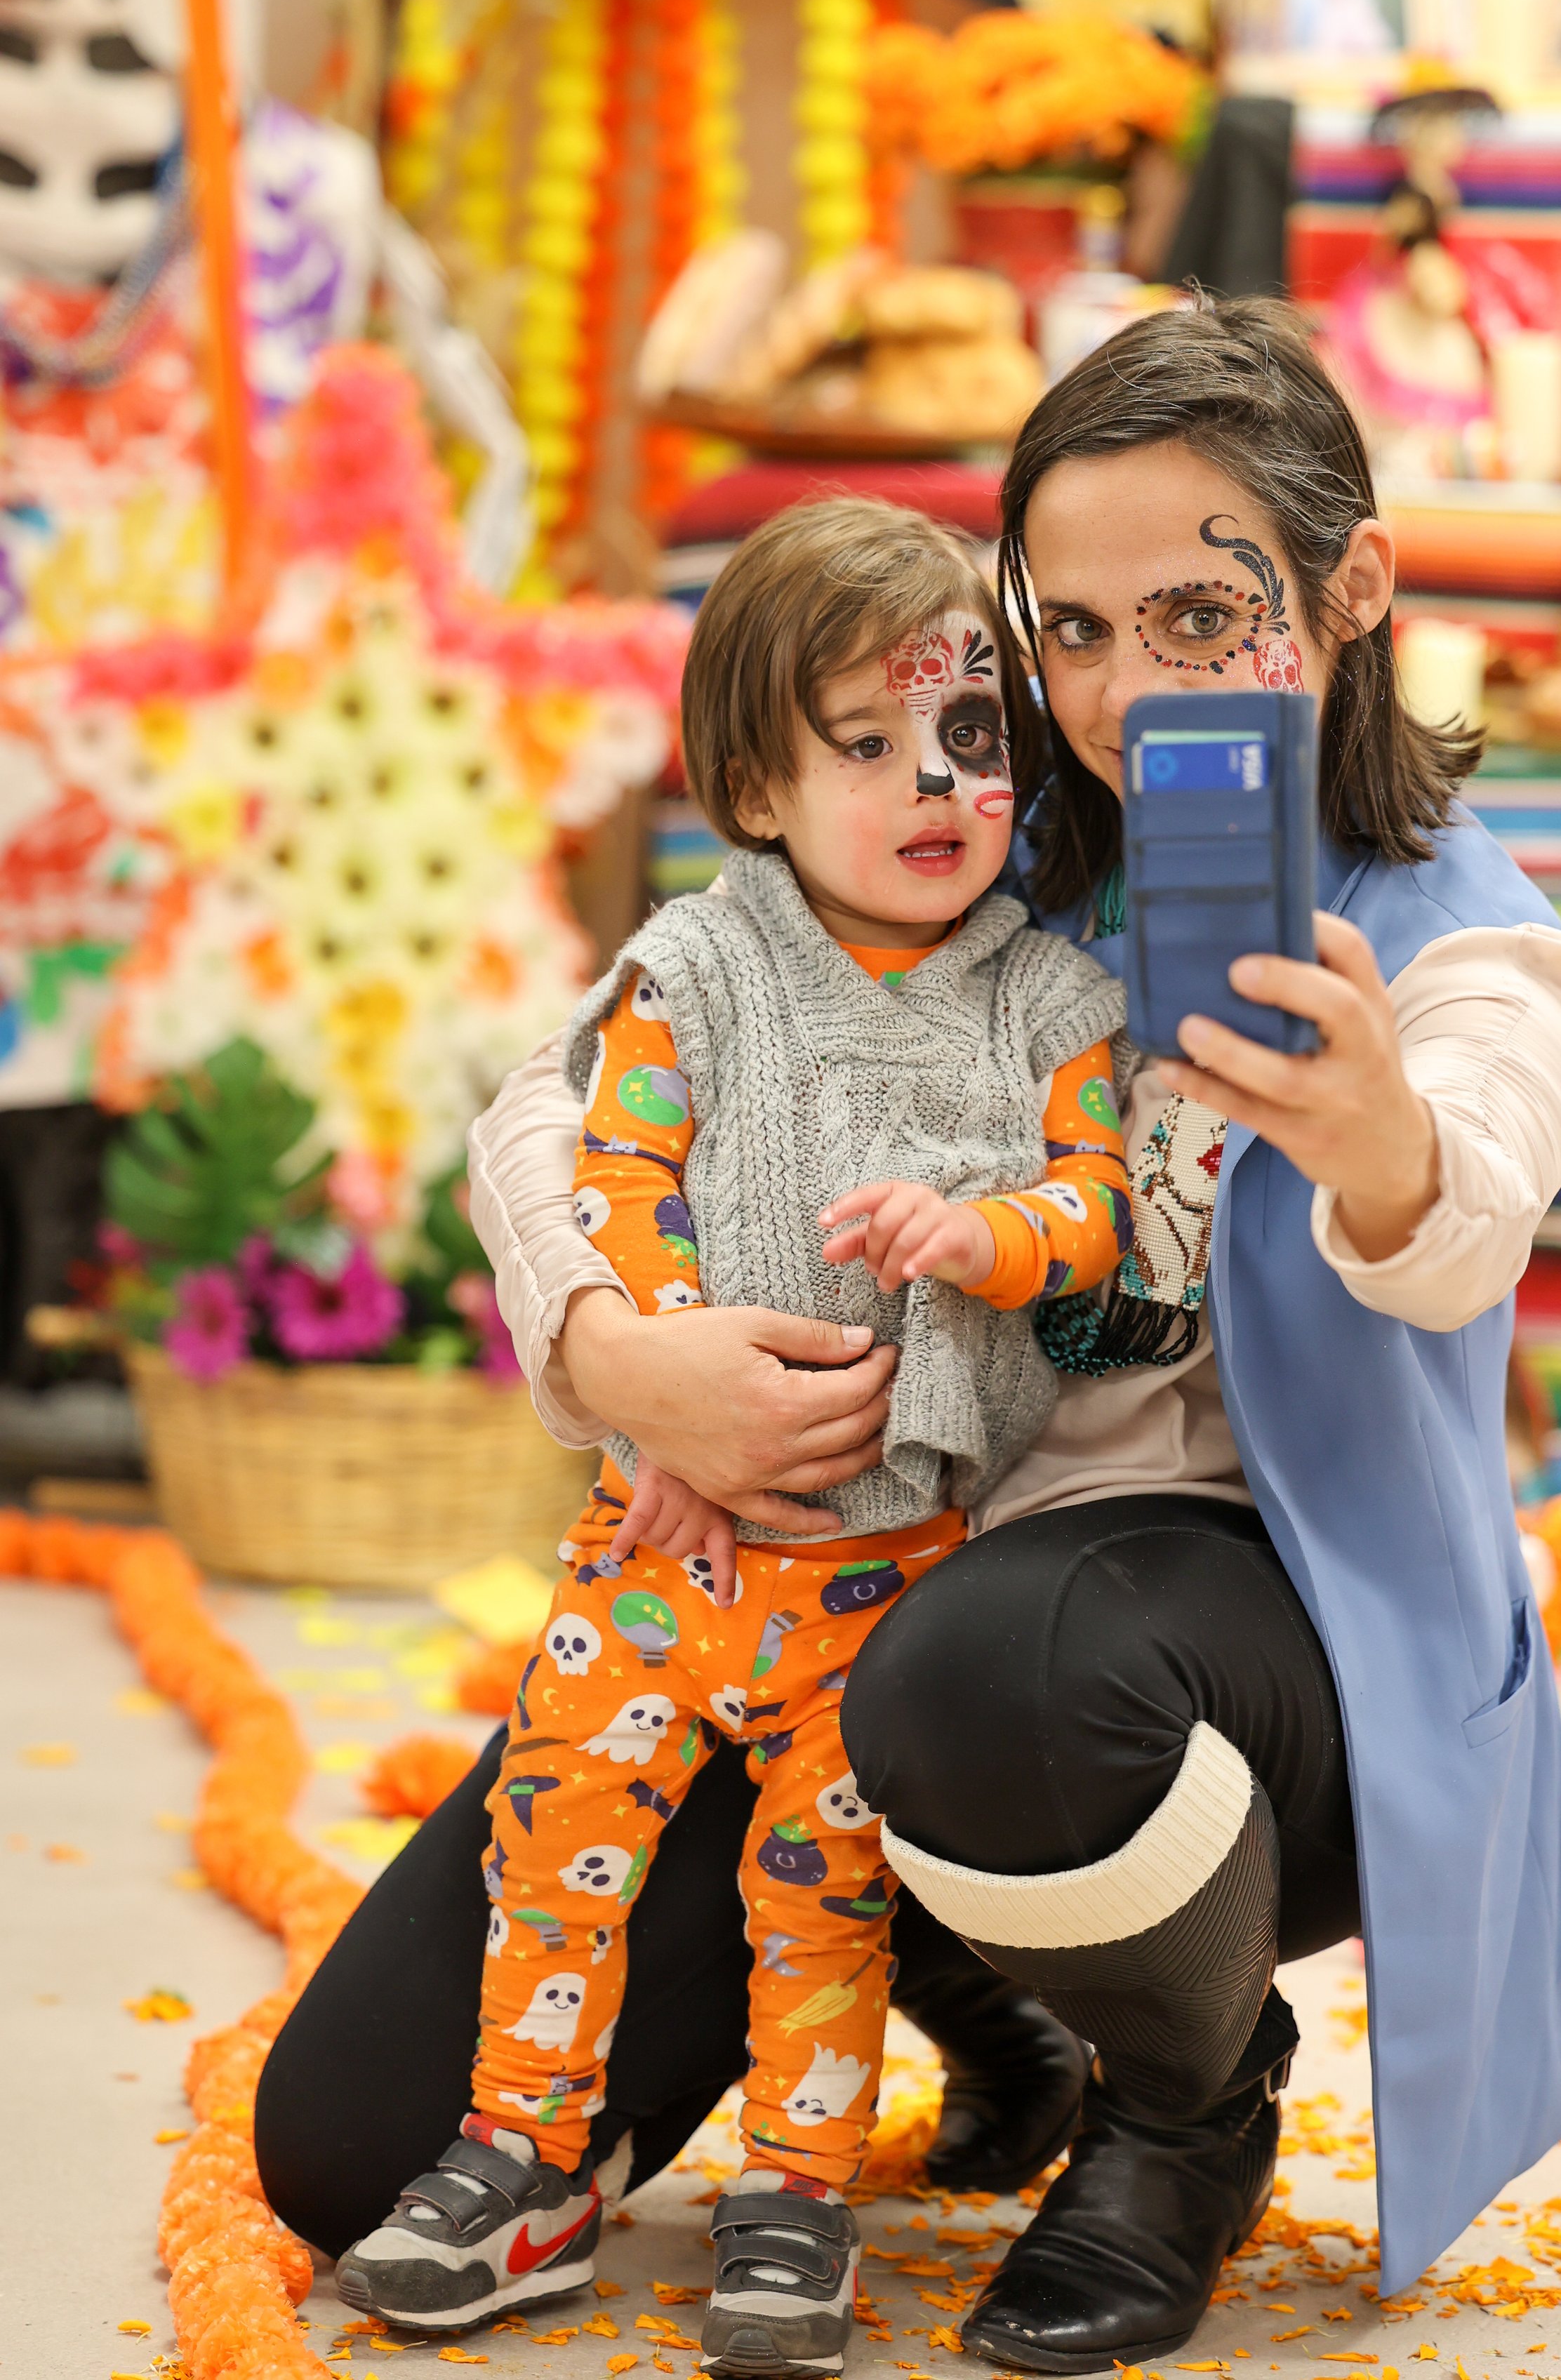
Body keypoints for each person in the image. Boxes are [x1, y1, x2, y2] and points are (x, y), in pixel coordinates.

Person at [257, 298, 1561, 2369]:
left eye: (1192, 612)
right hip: (816, 1598)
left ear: (1351, 592)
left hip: (1250, 1680)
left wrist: (1377, 1146)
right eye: (1063, 628)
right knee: (352, 2150)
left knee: (993, 1662)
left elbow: (1466, 1200)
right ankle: (983, 1985)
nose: (1111, 689)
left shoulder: (1457, 940)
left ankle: (1182, 2101)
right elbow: (557, 1103)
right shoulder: (954, 847)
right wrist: (623, 1362)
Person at [330, 498, 1131, 2362]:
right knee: (557, 1837)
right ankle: (517, 2149)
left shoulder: (1049, 1000)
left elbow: (1097, 1206)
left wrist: (982, 1236)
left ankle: (794, 2187)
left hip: (878, 1572)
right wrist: (652, 1380)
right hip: (661, 1542)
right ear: (752, 789)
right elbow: (604, 1170)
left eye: (971, 737)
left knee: (818, 1898)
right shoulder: (693, 961)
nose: (932, 780)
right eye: (867, 746)